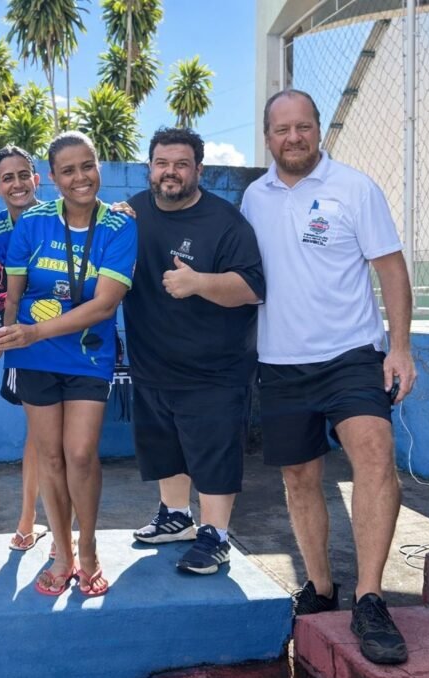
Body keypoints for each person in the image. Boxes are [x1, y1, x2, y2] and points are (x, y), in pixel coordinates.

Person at [241, 89, 416, 665]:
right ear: (268, 137)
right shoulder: (253, 199)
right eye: (282, 129)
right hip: (280, 360)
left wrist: (400, 348)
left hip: (351, 354)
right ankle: (320, 588)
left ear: (318, 129)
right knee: (299, 477)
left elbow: (391, 269)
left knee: (374, 452)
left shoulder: (355, 188)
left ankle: (370, 598)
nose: (293, 138)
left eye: (303, 127)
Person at [0, 132, 138, 597]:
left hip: (88, 354)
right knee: (50, 455)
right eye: (68, 170)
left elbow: (104, 305)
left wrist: (35, 332)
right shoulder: (33, 222)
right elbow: (12, 296)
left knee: (79, 453)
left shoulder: (119, 226)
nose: (80, 177)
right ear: (52, 178)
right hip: (33, 356)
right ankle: (62, 551)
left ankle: (88, 547)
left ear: (99, 167)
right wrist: (4, 339)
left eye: (87, 166)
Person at [123, 127, 264, 575]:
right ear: (149, 168)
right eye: (162, 163)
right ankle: (176, 517)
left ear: (198, 170)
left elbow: (252, 288)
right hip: (152, 362)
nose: (171, 172)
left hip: (214, 370)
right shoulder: (132, 212)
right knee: (164, 447)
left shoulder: (225, 221)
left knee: (214, 454)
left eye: (181, 164)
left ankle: (216, 535)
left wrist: (199, 282)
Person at [0, 145, 48, 553]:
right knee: (39, 434)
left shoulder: (62, 217)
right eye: (8, 177)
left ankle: (65, 531)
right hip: (25, 344)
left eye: (24, 175)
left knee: (73, 441)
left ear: (36, 179)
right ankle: (27, 521)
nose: (18, 184)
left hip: (69, 340)